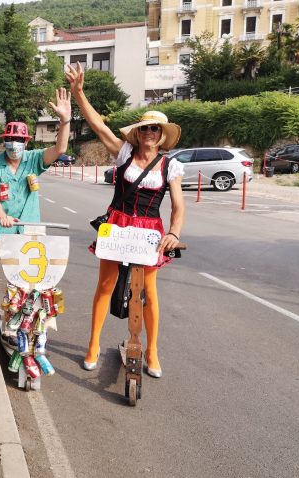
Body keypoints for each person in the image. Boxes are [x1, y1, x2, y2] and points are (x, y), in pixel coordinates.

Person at [65, 63, 185, 378]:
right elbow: (99, 126)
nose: (149, 133)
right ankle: (92, 344)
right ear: (138, 133)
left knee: (147, 293)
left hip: (148, 231)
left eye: (155, 129)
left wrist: (173, 233)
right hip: (117, 224)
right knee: (105, 285)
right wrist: (79, 93)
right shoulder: (124, 154)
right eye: (144, 128)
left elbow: (178, 206)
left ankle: (152, 351)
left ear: (162, 136)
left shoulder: (170, 166)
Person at [0, 87, 72, 343]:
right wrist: (1, 215)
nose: (14, 144)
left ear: (27, 143)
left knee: (24, 285)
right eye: (10, 140)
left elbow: (59, 149)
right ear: (5, 141)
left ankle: (14, 325)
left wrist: (65, 120)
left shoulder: (34, 159)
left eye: (19, 140)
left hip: (26, 235)